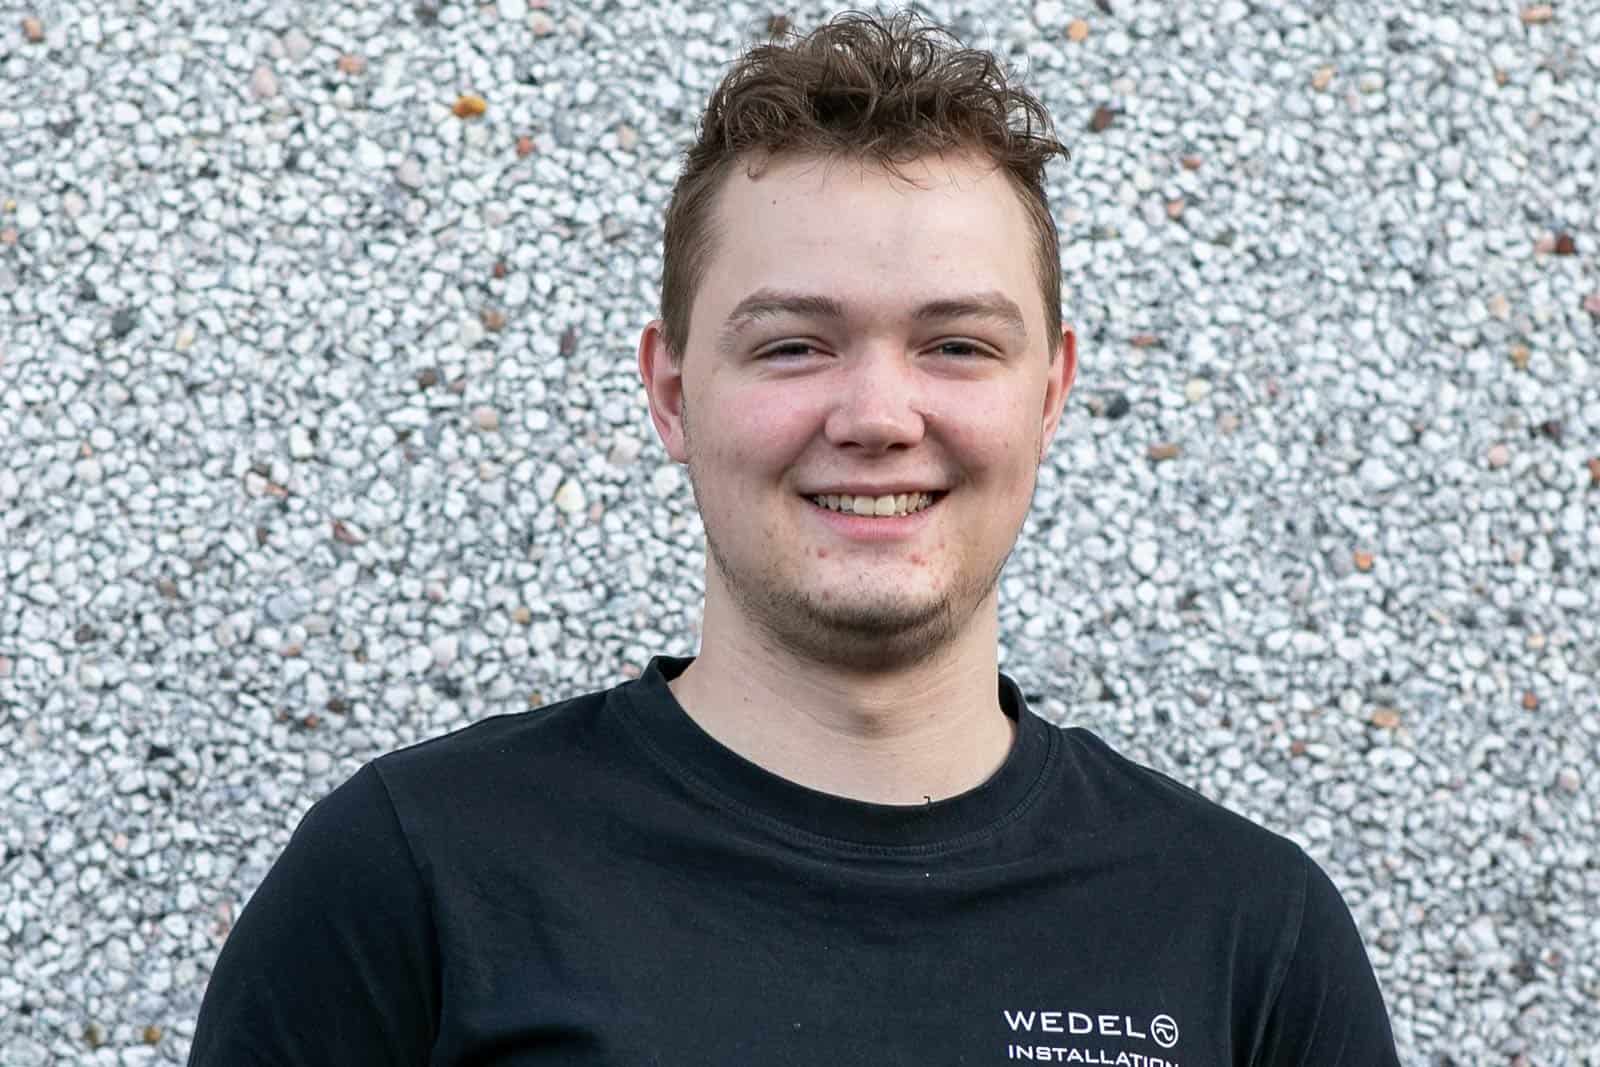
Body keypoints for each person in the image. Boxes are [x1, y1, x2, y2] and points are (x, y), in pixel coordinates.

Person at [189, 11, 1401, 1065]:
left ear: (1048, 395)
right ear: (672, 393)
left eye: (957, 344)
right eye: (791, 345)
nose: (876, 416)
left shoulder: (1247, 931)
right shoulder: (416, 876)